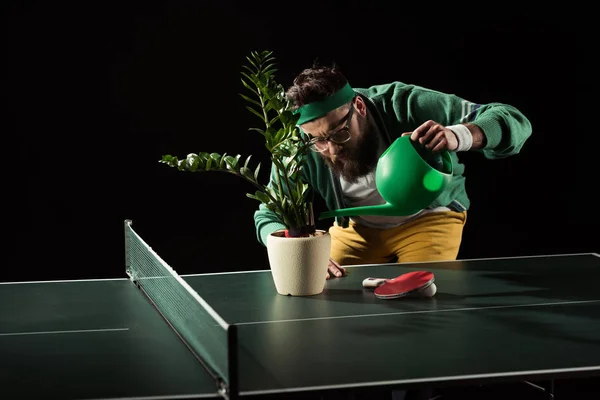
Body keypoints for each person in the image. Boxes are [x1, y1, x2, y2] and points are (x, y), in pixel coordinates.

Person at [254, 62, 532, 280]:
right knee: (323, 287)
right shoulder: (296, 146)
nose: (332, 149)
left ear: (359, 107)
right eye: (318, 140)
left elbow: (511, 119)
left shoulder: (405, 103)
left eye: (339, 132)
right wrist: (295, 253)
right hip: (357, 230)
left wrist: (459, 135)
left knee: (419, 294)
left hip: (428, 219)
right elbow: (268, 213)